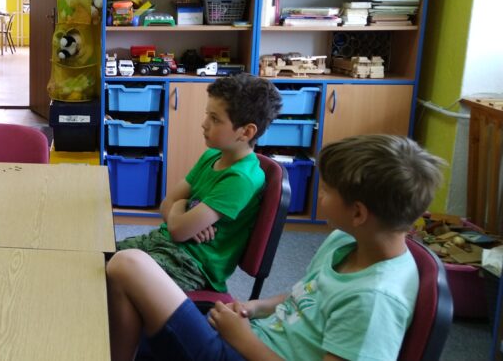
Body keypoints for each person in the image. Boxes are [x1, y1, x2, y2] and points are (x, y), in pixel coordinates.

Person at [107, 134, 446, 361]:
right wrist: (256, 307)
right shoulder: (346, 241)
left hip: (244, 350)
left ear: (358, 213)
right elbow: (307, 293)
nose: (319, 195)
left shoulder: (375, 301)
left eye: (327, 191)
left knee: (128, 266)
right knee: (131, 302)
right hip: (248, 336)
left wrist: (243, 340)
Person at [115, 74, 282, 293]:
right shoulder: (211, 156)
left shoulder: (241, 179)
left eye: (215, 119)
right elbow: (166, 205)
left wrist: (180, 208)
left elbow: (177, 229)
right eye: (207, 115)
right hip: (162, 243)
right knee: (97, 259)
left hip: (190, 266)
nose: (204, 124)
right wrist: (182, 212)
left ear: (246, 132)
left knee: (114, 277)